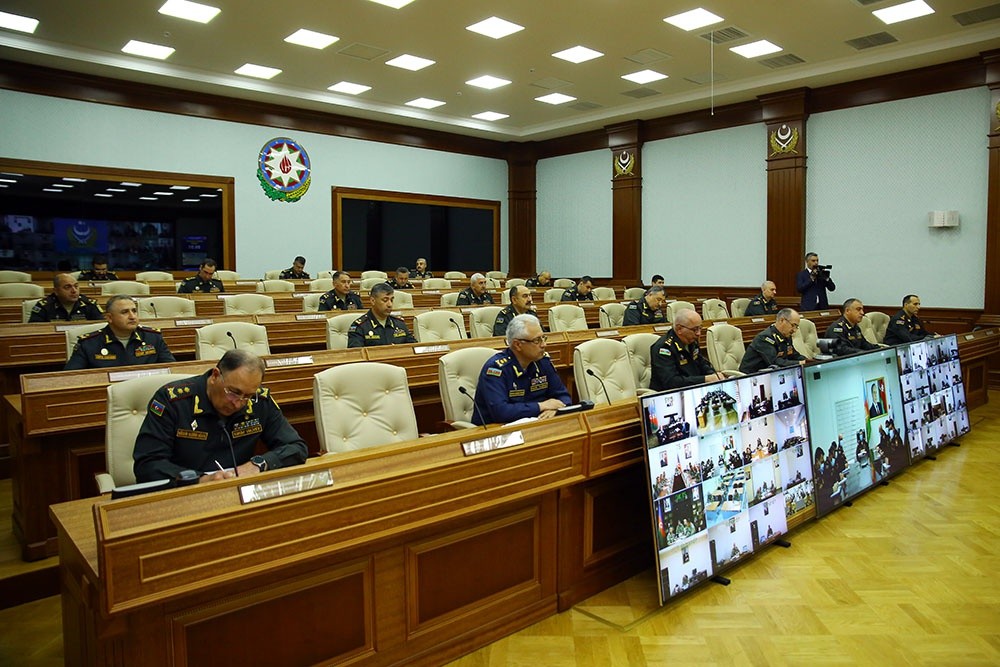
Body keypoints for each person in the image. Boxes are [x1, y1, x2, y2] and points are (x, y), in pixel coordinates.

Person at [133, 349, 308, 483]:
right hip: (184, 493)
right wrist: (199, 479)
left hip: (239, 490)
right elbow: (148, 464)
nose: (238, 402)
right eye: (233, 392)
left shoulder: (259, 401)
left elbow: (296, 447)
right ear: (215, 376)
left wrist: (258, 464)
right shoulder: (172, 401)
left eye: (247, 396)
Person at [473, 314, 571, 424]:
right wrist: (541, 406)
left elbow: (564, 396)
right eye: (537, 341)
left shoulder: (543, 362)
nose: (544, 344)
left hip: (537, 425)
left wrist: (555, 409)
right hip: (497, 433)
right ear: (518, 345)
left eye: (543, 338)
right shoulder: (496, 369)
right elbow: (501, 412)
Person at [65, 295, 175, 370]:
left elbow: (172, 369)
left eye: (134, 311)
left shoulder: (153, 338)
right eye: (124, 312)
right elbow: (71, 377)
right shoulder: (88, 344)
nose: (132, 316)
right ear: (109, 317)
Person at [650, 309, 724, 390]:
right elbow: (671, 382)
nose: (698, 333)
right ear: (679, 329)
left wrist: (714, 375)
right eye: (695, 329)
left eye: (700, 328)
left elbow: (702, 364)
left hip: (694, 388)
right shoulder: (664, 348)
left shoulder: (691, 341)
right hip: (670, 394)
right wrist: (705, 379)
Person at [347, 283, 416, 347]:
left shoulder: (400, 324)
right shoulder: (360, 326)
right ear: (373, 301)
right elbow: (356, 354)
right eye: (385, 300)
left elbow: (414, 348)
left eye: (391, 300)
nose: (390, 305)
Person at [739, 308, 806, 373]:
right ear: (782, 320)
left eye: (796, 327)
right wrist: (799, 363)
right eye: (793, 325)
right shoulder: (765, 338)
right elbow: (774, 362)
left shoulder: (786, 336)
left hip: (770, 374)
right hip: (751, 377)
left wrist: (809, 361)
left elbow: (794, 355)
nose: (794, 330)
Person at [28, 273, 104, 322]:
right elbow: (34, 331)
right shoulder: (43, 307)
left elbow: (101, 327)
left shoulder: (90, 304)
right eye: (67, 287)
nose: (74, 291)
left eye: (76, 286)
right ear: (56, 291)